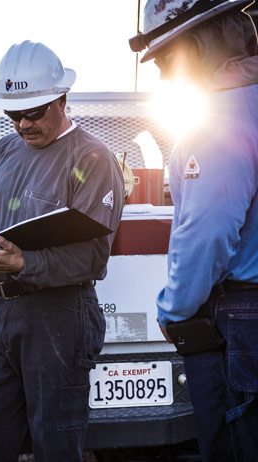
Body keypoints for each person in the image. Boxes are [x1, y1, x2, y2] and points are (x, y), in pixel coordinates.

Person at [0, 40, 125, 462]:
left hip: (62, 316)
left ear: (62, 99)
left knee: (56, 447)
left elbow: (93, 256)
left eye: (34, 112)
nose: (23, 124)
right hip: (3, 314)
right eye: (13, 114)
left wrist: (23, 262)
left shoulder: (92, 157)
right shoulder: (3, 151)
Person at [130, 1, 258, 460]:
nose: (165, 77)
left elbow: (207, 235)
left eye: (166, 61)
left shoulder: (218, 121)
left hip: (240, 316)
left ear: (200, 45)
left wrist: (174, 309)